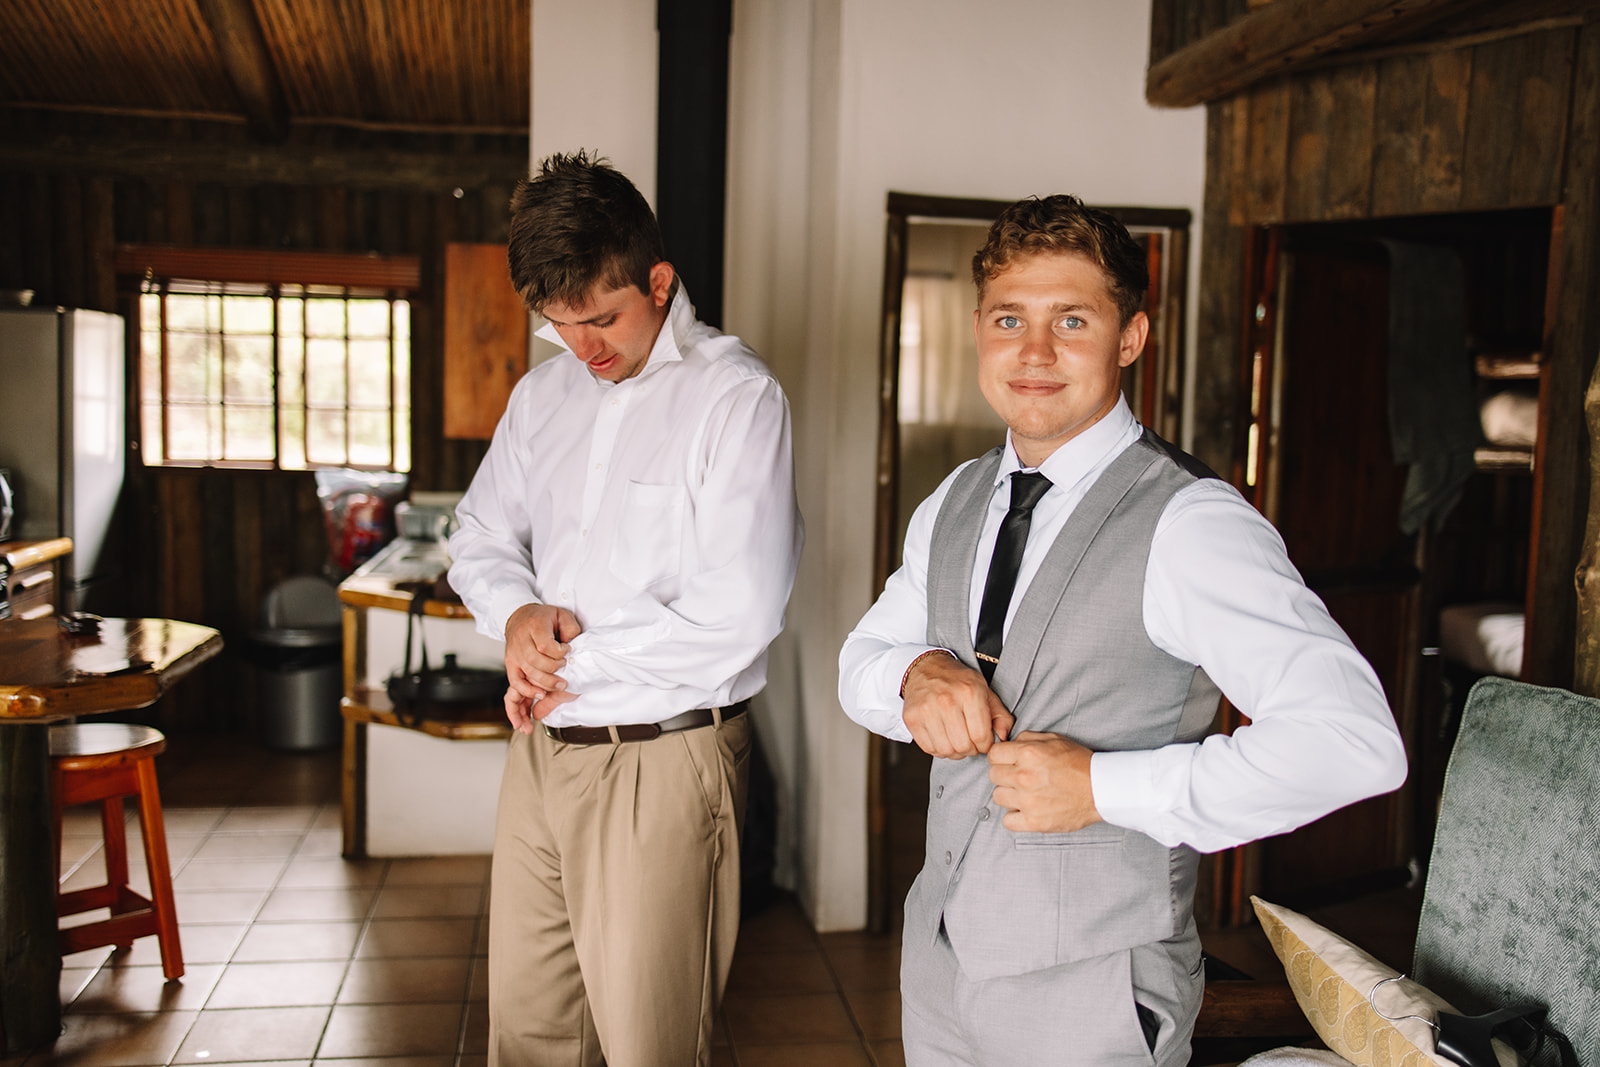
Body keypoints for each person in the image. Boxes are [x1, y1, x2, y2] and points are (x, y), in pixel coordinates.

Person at [837, 194, 1407, 1066]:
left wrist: (1107, 788)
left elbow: (1355, 742)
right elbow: (859, 666)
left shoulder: (1192, 523)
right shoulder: (953, 498)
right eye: (1009, 318)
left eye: (1072, 319)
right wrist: (913, 674)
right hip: (939, 966)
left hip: (1093, 993)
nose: (1034, 352)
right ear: (978, 330)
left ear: (1131, 338)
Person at [448, 150, 803, 1067]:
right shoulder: (542, 395)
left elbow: (741, 609)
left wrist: (562, 661)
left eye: (602, 318)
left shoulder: (736, 397)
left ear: (658, 280)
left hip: (664, 755)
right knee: (528, 1038)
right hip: (541, 754)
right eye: (560, 324)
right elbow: (480, 532)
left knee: (650, 1048)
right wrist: (518, 616)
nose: (584, 346)